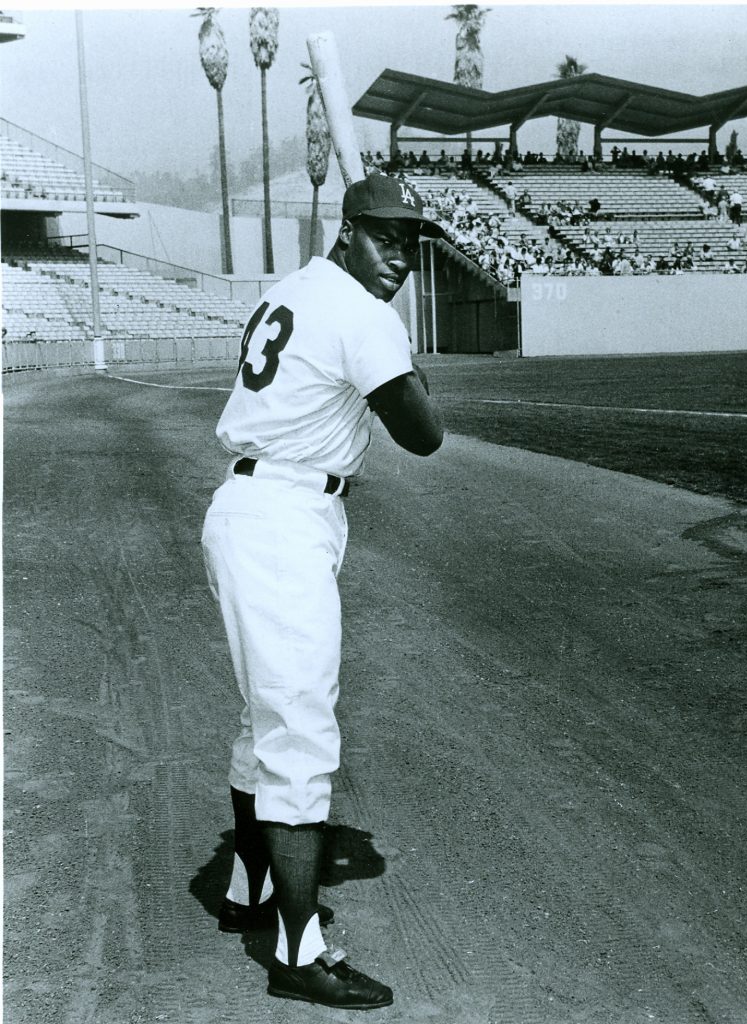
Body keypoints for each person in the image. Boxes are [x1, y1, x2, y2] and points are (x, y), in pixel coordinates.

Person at [202, 174, 445, 1010]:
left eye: (410, 246)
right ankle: (300, 953)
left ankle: (248, 891)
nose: (400, 260)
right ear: (349, 234)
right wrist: (403, 357)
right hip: (282, 517)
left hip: (255, 507)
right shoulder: (359, 311)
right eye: (386, 240)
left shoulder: (296, 289)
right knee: (299, 732)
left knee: (264, 716)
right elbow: (424, 435)